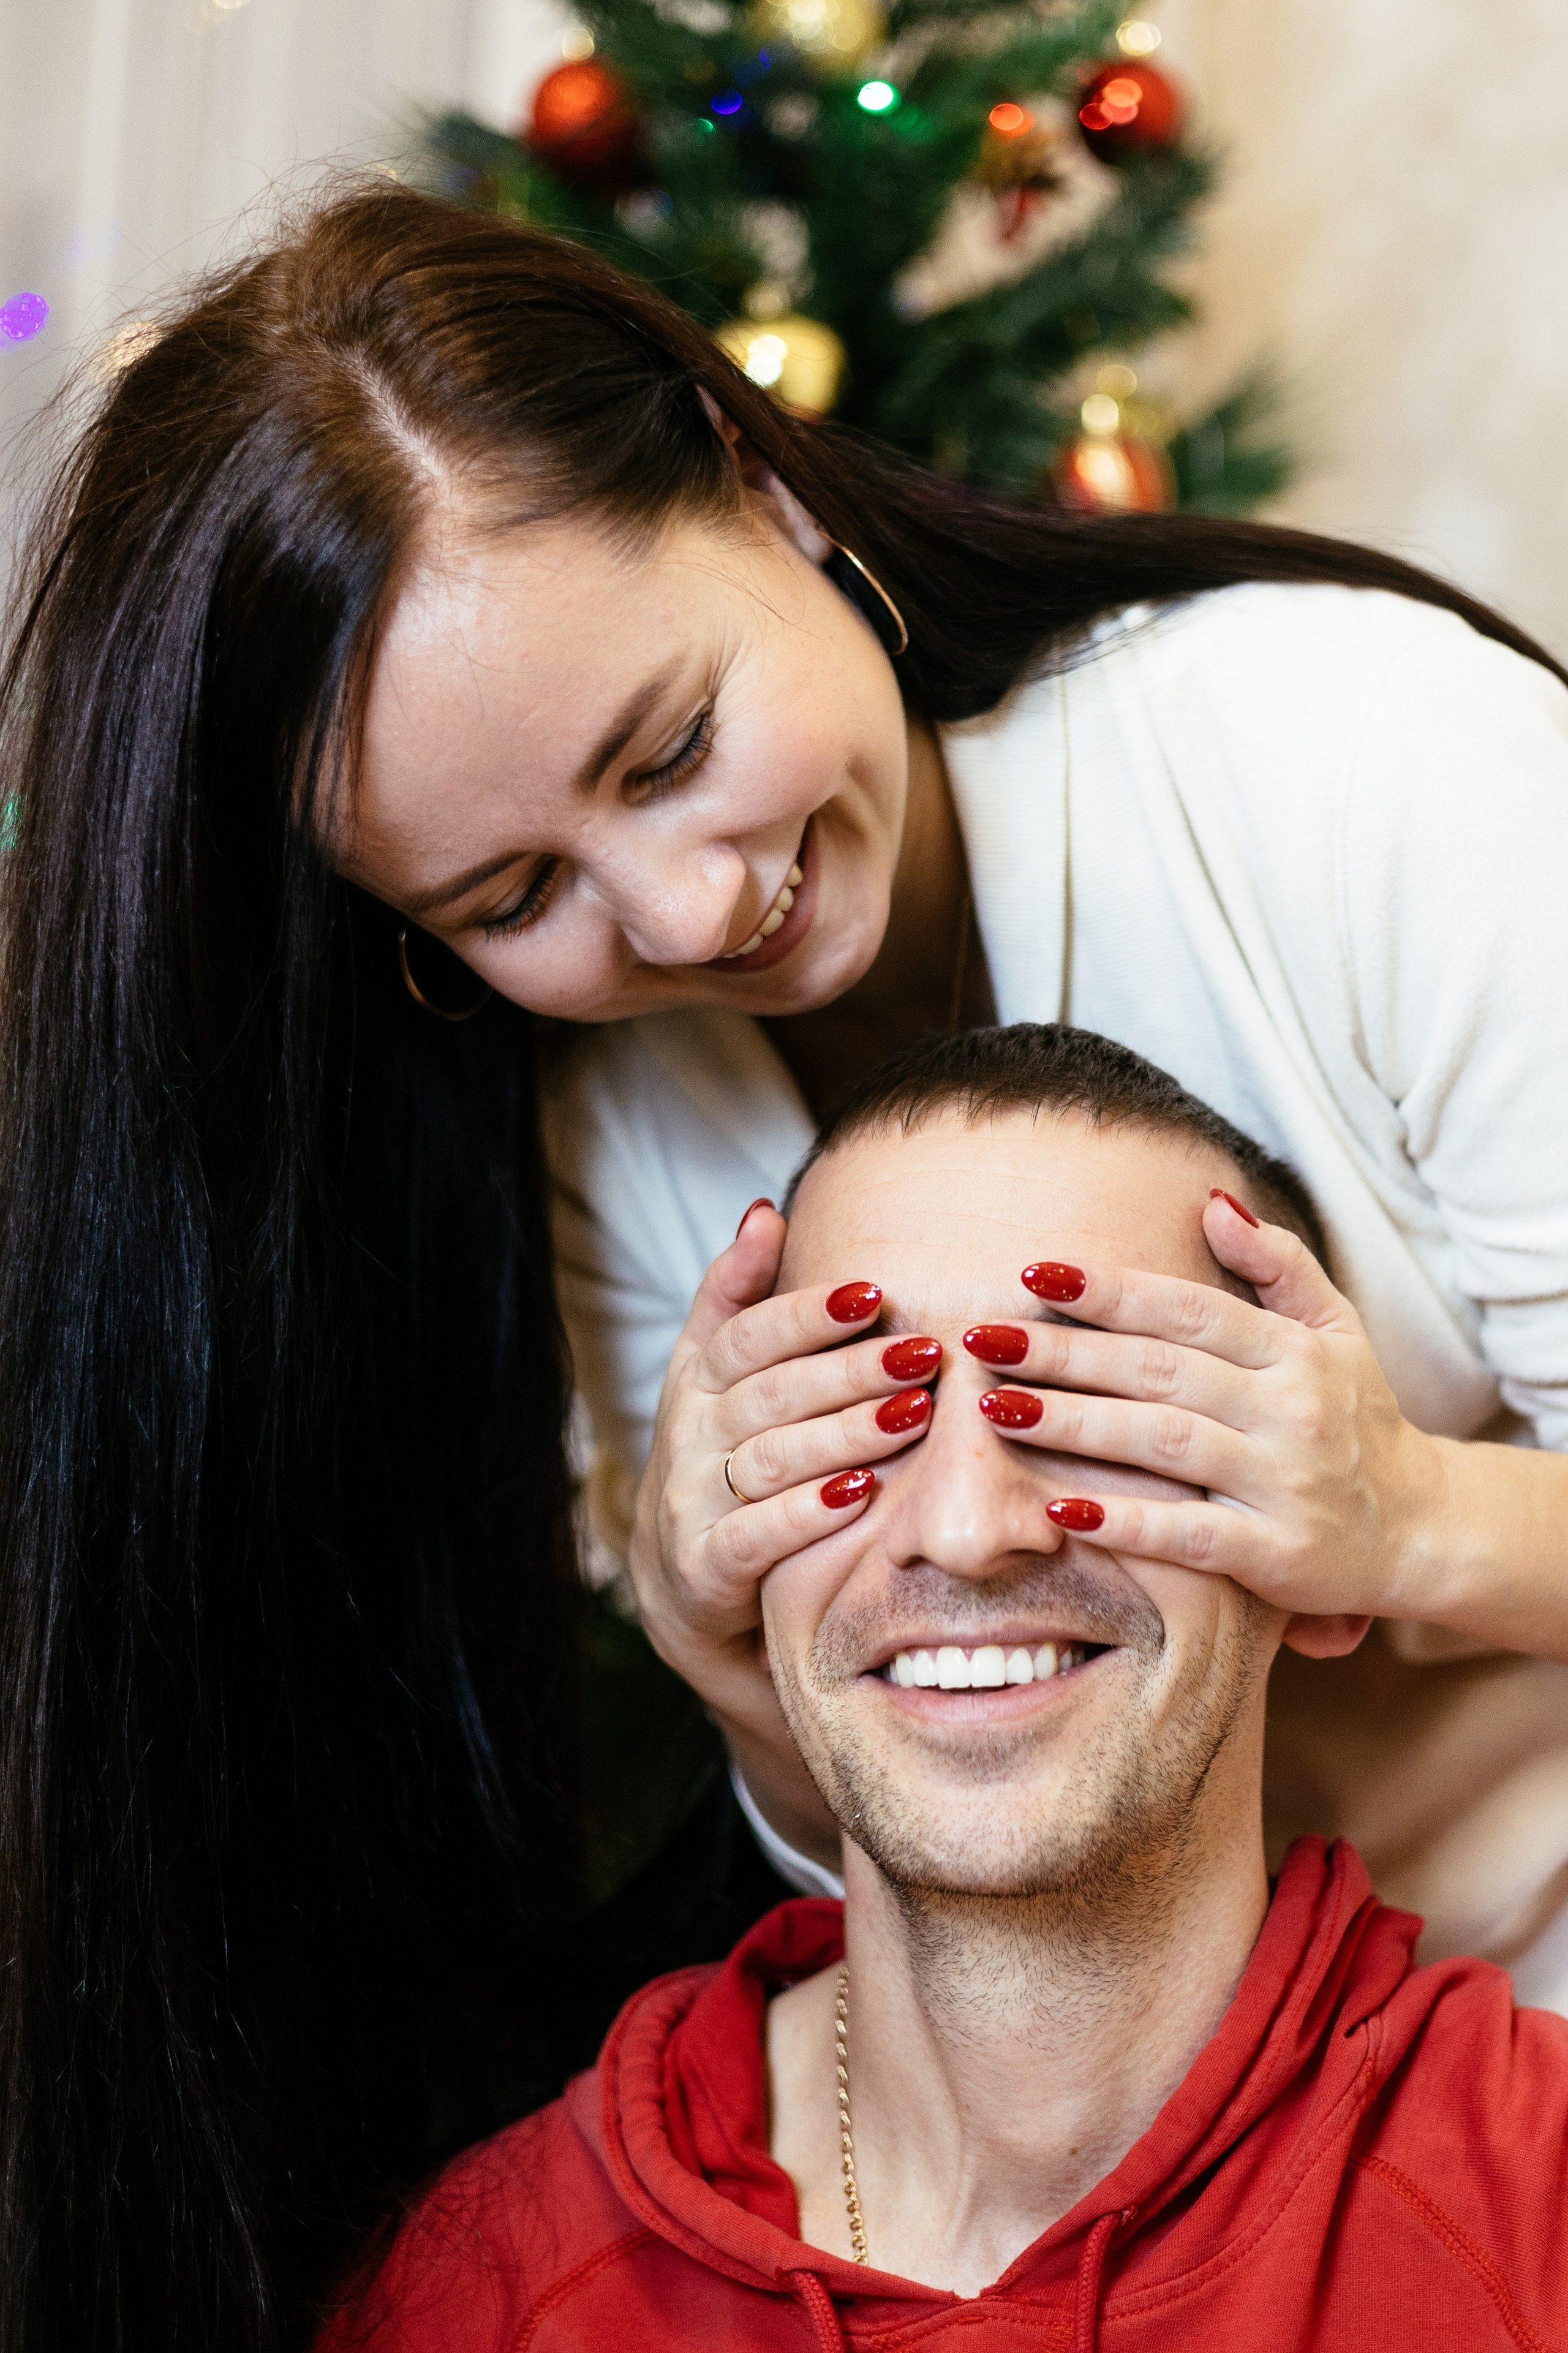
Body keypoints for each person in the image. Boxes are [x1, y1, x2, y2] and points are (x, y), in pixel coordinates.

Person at [5, 177, 1568, 2347]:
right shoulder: (599, 1154)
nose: (678, 908)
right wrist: (721, 1643)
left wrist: (1406, 1513)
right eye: (510, 892)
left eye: (666, 750)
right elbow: (911, 1792)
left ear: (764, 489)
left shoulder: (1354, 769)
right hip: (1110, 2164)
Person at [317, 1025, 1568, 2352]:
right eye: (861, 1412)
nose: (971, 1529)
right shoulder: (479, 2296)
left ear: (1317, 1558)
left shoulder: (1533, 2214)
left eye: (1089, 1404)